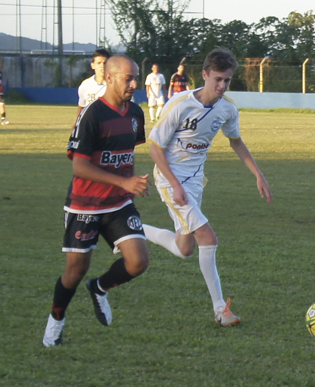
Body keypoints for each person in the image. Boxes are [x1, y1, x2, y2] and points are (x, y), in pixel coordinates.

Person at [143, 48, 273, 327]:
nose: (222, 85)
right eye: (217, 79)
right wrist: (175, 186)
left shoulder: (227, 108)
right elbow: (155, 149)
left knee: (184, 249)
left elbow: (235, 141)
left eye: (227, 80)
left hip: (195, 181)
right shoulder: (179, 105)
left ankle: (132, 228)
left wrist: (258, 174)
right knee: (208, 238)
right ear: (204, 75)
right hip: (170, 178)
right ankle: (220, 310)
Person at [43, 55, 150, 347]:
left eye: (136, 77)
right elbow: (79, 167)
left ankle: (100, 288)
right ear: (110, 77)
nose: (134, 83)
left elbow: (124, 154)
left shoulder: (136, 113)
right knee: (75, 271)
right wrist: (124, 181)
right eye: (128, 78)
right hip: (85, 205)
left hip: (119, 203)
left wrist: (132, 181)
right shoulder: (92, 115)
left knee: (139, 261)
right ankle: (56, 320)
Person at [77, 49, 111, 115]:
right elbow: (81, 107)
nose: (102, 66)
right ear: (93, 65)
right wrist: (76, 124)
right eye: (99, 63)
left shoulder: (115, 85)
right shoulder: (85, 85)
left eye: (105, 63)